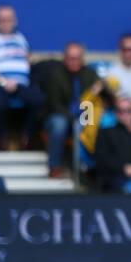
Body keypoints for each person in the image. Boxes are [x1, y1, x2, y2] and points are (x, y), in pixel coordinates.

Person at [0, 5, 43, 150]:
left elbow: (29, 61)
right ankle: (1, 139)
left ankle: (27, 137)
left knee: (38, 99)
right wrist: (3, 82)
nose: (5, 23)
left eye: (9, 19)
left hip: (21, 85)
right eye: (2, 20)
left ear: (15, 21)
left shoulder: (20, 39)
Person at [38, 41, 100, 178]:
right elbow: (54, 104)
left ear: (82, 59)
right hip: (59, 115)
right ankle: (54, 166)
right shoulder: (55, 75)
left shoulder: (90, 74)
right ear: (64, 58)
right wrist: (73, 119)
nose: (74, 62)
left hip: (85, 113)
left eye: (77, 58)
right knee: (59, 124)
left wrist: (85, 119)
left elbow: (93, 101)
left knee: (94, 123)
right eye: (70, 58)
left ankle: (91, 167)